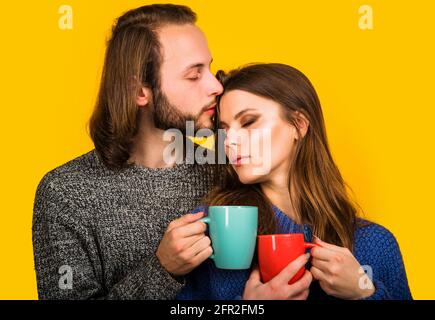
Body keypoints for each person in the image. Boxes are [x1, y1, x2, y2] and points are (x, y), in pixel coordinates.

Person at [32, 4, 222, 299]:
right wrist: (162, 271)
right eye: (194, 75)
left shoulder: (227, 175)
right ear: (140, 91)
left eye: (210, 68)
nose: (216, 86)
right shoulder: (65, 193)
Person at [177, 63, 412, 300]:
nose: (229, 142)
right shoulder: (212, 229)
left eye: (248, 122)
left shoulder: (375, 243)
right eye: (224, 129)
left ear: (299, 124)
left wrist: (364, 292)